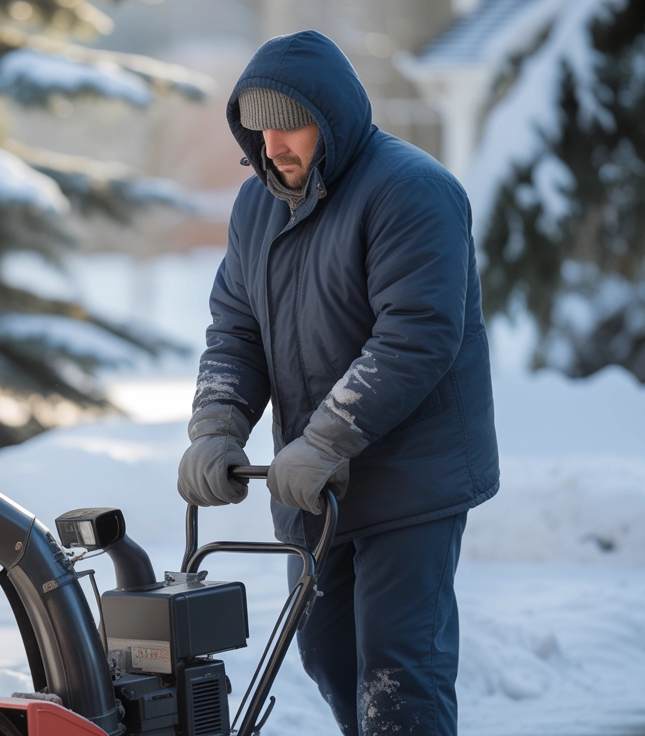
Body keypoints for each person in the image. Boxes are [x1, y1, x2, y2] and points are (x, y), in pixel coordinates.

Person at [176, 30, 500, 736]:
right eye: (258, 127)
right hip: (314, 483)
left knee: (396, 668)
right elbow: (236, 330)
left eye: (289, 125)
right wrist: (218, 426)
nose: (272, 145)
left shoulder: (412, 191)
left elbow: (416, 336)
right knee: (326, 654)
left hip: (410, 477)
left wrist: (325, 440)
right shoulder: (255, 207)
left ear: (333, 119)